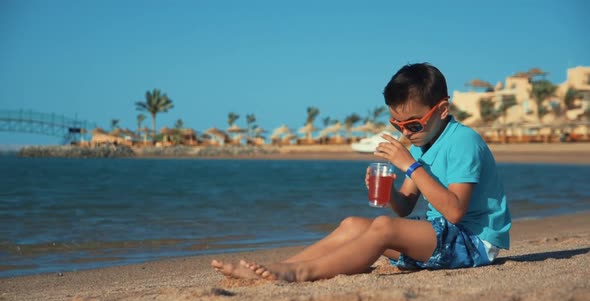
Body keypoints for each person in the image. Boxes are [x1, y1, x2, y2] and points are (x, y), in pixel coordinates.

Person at [211, 63, 512, 282]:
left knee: (383, 228)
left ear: (443, 110)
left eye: (413, 125)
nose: (406, 132)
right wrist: (392, 190)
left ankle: (300, 272)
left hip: (474, 243)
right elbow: (405, 207)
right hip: (441, 236)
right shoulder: (424, 143)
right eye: (398, 125)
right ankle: (278, 266)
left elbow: (456, 212)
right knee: (354, 224)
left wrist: (410, 165)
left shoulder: (462, 141)